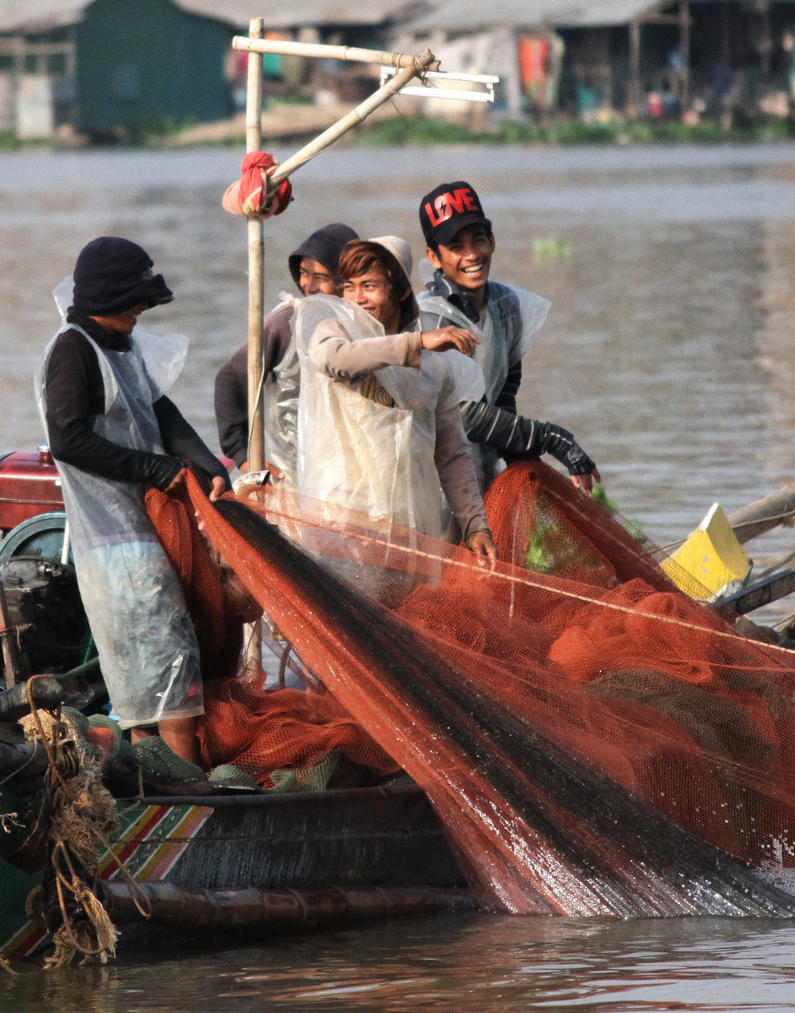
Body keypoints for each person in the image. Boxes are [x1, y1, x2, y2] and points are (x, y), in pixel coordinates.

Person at [38, 236, 229, 765]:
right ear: (110, 297)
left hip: (143, 535)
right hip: (117, 548)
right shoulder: (73, 351)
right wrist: (154, 467)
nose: (143, 310)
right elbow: (67, 439)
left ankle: (162, 788)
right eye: (137, 300)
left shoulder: (119, 348)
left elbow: (160, 411)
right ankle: (185, 792)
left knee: (157, 687)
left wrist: (206, 465)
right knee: (168, 687)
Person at [296, 238, 496, 563]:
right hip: (341, 529)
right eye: (349, 287)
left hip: (410, 533)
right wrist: (416, 343)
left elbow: (452, 454)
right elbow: (335, 359)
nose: (357, 298)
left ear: (401, 290)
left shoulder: (434, 367)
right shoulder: (332, 331)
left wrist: (475, 524)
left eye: (370, 286)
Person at [416, 181, 599, 491]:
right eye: (456, 247)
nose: (472, 255)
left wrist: (523, 460)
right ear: (434, 257)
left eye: (478, 240)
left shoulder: (507, 305)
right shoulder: (428, 319)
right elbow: (461, 413)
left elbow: (503, 395)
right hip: (434, 482)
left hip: (483, 475)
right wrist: (551, 439)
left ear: (493, 240)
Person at [213, 222, 357, 484]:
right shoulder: (285, 324)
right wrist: (244, 458)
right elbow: (229, 380)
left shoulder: (366, 325)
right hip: (291, 475)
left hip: (352, 474)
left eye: (321, 278)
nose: (308, 286)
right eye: (303, 273)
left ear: (346, 281)